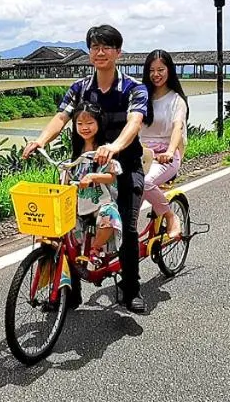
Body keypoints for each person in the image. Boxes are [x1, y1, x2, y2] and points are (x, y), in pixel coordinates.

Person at [23, 24, 150, 313]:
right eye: (95, 47)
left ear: (118, 52)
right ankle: (72, 292)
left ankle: (131, 290)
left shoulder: (133, 88)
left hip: (124, 166)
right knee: (67, 227)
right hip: (82, 168)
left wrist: (114, 146)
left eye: (106, 47)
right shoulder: (79, 88)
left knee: (128, 228)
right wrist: (40, 140)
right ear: (89, 52)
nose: (100, 52)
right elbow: (61, 117)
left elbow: (135, 122)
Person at [140, 49, 189, 241]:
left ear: (169, 70)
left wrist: (169, 150)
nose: (156, 74)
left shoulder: (177, 101)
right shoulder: (141, 97)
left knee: (145, 182)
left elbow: (177, 128)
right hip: (142, 155)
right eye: (152, 70)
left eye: (161, 69)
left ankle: (170, 216)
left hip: (165, 157)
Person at [66, 103, 122, 259]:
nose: (85, 127)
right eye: (80, 124)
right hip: (80, 200)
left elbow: (112, 176)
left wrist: (92, 177)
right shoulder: (77, 150)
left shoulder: (104, 150)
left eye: (90, 123)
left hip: (100, 199)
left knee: (109, 215)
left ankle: (96, 247)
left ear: (99, 123)